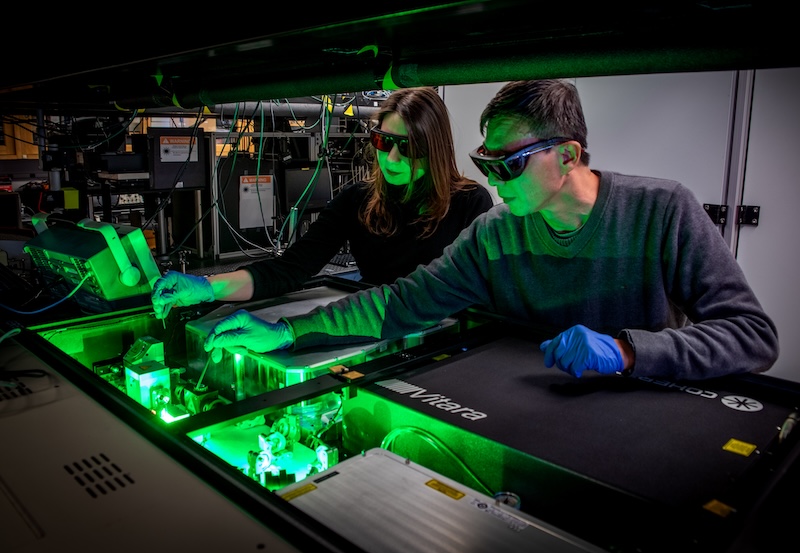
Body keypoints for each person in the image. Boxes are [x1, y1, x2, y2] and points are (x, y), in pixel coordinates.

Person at [202, 79, 779, 381]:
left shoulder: (662, 212)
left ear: (568, 155)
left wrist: (630, 351)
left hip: (644, 410)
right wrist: (288, 332)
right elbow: (403, 303)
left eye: (510, 164)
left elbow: (753, 336)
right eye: (486, 163)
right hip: (533, 407)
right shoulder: (495, 233)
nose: (494, 182)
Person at [151, 87, 494, 318]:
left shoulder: (469, 203)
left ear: (434, 149)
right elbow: (289, 270)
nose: (391, 159)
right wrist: (206, 288)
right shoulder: (357, 200)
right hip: (371, 325)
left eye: (407, 147)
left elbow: (471, 292)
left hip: (438, 335)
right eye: (383, 141)